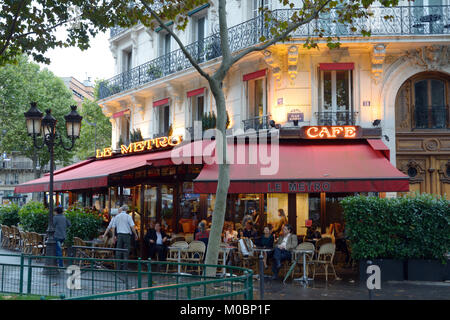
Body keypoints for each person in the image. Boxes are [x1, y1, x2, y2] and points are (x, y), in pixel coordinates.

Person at [111, 205, 138, 270]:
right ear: (127, 210)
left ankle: (118, 267)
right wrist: (136, 234)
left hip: (119, 235)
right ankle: (125, 267)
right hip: (126, 235)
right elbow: (132, 227)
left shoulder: (117, 216)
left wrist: (113, 236)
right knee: (126, 251)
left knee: (118, 251)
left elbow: (113, 227)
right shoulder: (128, 217)